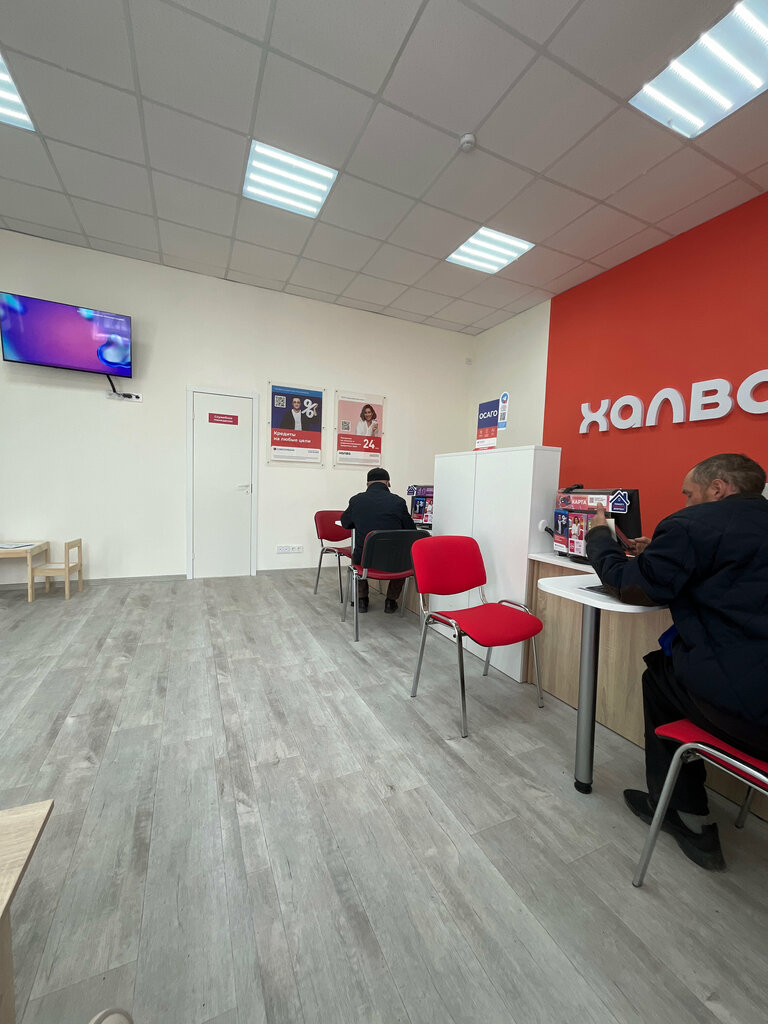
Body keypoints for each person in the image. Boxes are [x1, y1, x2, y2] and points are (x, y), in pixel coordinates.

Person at [586, 453, 768, 871]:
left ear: (718, 488)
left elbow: (629, 585)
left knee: (659, 676)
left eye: (689, 494)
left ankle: (684, 812)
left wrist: (598, 537)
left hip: (751, 715)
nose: (686, 503)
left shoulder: (691, 524)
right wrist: (661, 554)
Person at [340, 467, 416, 613]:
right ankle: (391, 601)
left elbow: (345, 523)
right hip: (393, 561)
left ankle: (362, 600)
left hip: (365, 560)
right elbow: (411, 530)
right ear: (388, 483)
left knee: (358, 554)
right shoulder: (398, 502)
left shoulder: (356, 500)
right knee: (402, 558)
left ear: (367, 484)